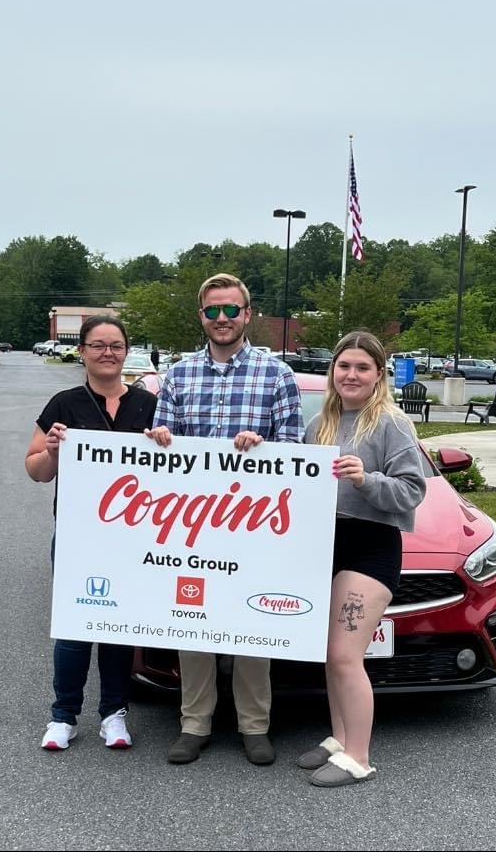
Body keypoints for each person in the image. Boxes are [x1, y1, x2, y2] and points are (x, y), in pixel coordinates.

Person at [145, 272, 302, 766]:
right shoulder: (179, 375)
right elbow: (160, 446)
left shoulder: (277, 376)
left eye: (231, 310)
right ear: (202, 317)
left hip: (253, 524)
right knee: (193, 624)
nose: (222, 319)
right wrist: (160, 440)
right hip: (194, 524)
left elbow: (296, 452)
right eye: (212, 311)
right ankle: (195, 723)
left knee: (251, 623)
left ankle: (254, 725)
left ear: (247, 315)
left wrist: (264, 450)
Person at [297, 331, 427, 787]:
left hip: (372, 546)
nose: (351, 375)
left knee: (346, 656)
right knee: (329, 656)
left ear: (378, 375)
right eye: (344, 366)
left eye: (362, 368)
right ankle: (338, 738)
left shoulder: (391, 423)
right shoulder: (320, 424)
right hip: (326, 544)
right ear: (333, 371)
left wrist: (365, 479)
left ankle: (359, 757)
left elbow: (414, 490)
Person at [25, 314, 157, 752]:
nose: (107, 353)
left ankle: (113, 715)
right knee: (75, 626)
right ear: (81, 351)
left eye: (116, 345)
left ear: (127, 352)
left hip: (134, 536)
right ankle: (63, 715)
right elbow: (36, 472)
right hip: (80, 535)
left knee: (120, 627)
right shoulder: (64, 403)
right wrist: (54, 452)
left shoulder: (148, 405)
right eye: (98, 345)